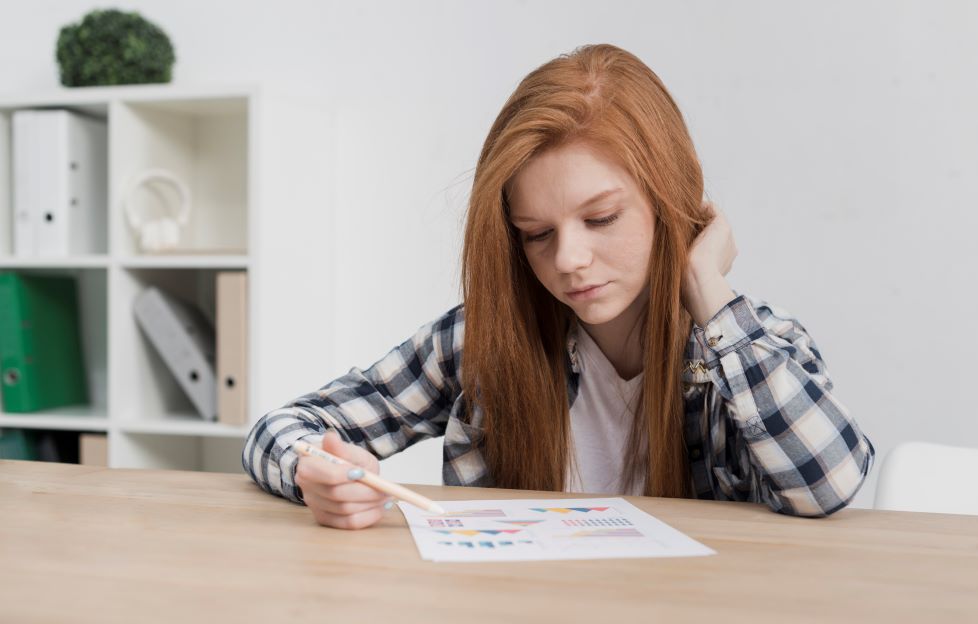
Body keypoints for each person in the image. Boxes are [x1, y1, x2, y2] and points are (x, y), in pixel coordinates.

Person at [242, 43, 875, 530]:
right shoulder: (481, 341)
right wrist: (314, 469)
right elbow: (284, 427)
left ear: (669, 203)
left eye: (601, 218)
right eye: (536, 233)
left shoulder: (750, 346)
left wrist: (704, 283)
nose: (569, 260)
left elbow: (831, 483)